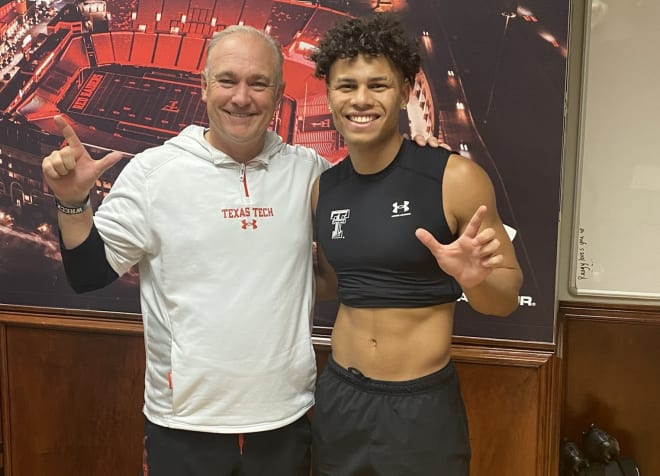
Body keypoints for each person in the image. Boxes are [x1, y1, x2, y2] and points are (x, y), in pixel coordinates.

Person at [42, 24, 441, 475]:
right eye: (228, 80)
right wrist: (73, 202)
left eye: (258, 83)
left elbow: (368, 216)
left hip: (286, 419)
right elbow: (88, 274)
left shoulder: (310, 171)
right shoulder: (155, 173)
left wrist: (419, 156)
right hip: (185, 423)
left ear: (279, 92)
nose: (241, 97)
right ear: (204, 85)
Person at [309, 13, 523, 476]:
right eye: (346, 86)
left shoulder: (455, 178)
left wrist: (473, 280)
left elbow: (504, 300)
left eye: (378, 85)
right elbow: (328, 284)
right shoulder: (324, 189)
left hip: (420, 407)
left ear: (405, 90)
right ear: (328, 93)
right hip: (340, 395)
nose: (361, 100)